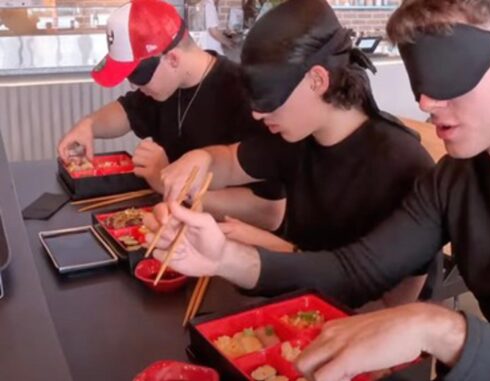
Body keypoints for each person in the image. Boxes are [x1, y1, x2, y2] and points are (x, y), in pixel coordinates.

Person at [149, 0, 490, 379]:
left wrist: (441, 330)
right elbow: (356, 270)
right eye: (423, 81)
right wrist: (226, 259)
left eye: (449, 78)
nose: (426, 102)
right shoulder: (455, 177)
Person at [152, 0, 437, 306]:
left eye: (269, 100)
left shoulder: (401, 165)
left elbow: (394, 308)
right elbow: (230, 161)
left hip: (356, 330)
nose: (258, 115)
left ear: (317, 80)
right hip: (294, 303)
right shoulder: (295, 136)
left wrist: (279, 252)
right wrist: (202, 160)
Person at [57, 0, 284, 230]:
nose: (135, 86)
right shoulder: (164, 88)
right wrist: (89, 125)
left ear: (172, 59)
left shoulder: (244, 96)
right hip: (172, 228)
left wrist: (170, 187)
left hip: (226, 247)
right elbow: (127, 111)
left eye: (138, 77)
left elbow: (269, 213)